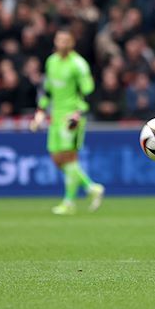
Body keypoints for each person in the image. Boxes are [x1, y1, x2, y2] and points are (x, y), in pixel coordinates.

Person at [30, 28, 104, 215]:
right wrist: (40, 111)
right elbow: (47, 89)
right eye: (59, 40)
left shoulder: (79, 64)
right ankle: (91, 187)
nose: (61, 43)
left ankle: (69, 202)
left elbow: (88, 91)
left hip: (71, 116)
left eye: (65, 40)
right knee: (56, 159)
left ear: (71, 43)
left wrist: (79, 113)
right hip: (55, 116)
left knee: (69, 157)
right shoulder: (51, 61)